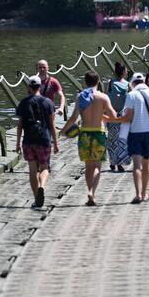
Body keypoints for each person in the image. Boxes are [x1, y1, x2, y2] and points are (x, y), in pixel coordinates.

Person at [61, 71, 116, 206]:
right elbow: (113, 116)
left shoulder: (80, 97)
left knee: (88, 165)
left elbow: (74, 118)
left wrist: (63, 131)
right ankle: (92, 192)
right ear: (98, 82)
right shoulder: (103, 97)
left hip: (84, 133)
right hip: (99, 133)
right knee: (97, 165)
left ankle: (89, 190)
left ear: (85, 82)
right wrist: (104, 116)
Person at [111, 72, 149, 203]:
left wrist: (114, 119)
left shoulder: (131, 95)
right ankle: (145, 193)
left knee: (136, 165)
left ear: (132, 83)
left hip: (135, 133)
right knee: (146, 165)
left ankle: (138, 195)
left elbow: (128, 117)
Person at [15, 75, 59, 209]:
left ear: (29, 87)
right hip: (44, 139)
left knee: (32, 170)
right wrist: (56, 143)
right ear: (40, 87)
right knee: (44, 167)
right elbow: (52, 125)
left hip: (28, 140)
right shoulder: (48, 102)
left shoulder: (23, 102)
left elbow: (20, 125)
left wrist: (17, 143)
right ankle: (42, 187)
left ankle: (36, 199)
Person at [106, 62, 131, 172]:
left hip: (111, 114)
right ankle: (119, 162)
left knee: (112, 139)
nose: (127, 72)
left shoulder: (110, 82)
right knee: (122, 138)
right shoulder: (127, 84)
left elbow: (106, 96)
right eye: (126, 70)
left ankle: (113, 162)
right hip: (122, 114)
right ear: (123, 72)